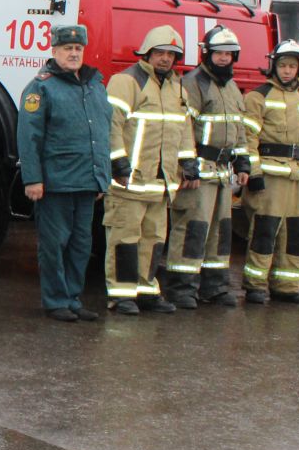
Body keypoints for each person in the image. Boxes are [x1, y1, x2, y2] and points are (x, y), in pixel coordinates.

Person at [15, 23, 108, 321]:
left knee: (81, 246)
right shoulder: (41, 87)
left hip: (85, 182)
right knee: (55, 245)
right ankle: (55, 301)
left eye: (78, 49)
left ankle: (72, 299)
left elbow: (104, 132)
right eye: (67, 49)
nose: (73, 53)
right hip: (55, 183)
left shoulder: (95, 85)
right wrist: (33, 179)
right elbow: (28, 137)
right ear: (54, 51)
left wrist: (102, 176)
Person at [104, 25, 194, 314]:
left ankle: (146, 290)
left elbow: (184, 128)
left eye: (171, 54)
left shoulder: (177, 87)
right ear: (147, 53)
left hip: (161, 182)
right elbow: (112, 126)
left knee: (154, 239)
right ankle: (121, 294)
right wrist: (117, 162)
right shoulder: (126, 81)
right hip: (129, 180)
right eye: (160, 53)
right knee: (125, 239)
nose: (166, 58)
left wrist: (188, 162)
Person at [167, 25, 250, 308]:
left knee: (220, 230)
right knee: (192, 227)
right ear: (207, 54)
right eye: (219, 53)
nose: (224, 58)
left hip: (224, 171)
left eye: (229, 53)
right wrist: (187, 163)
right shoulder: (193, 83)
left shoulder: (232, 88)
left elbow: (239, 128)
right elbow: (183, 126)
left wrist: (243, 161)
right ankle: (182, 287)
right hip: (200, 169)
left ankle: (214, 286)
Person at [240, 40, 299, 304]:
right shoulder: (258, 96)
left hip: (295, 177)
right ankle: (255, 286)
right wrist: (254, 173)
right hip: (270, 177)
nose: (287, 71)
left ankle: (287, 286)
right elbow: (248, 137)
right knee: (264, 231)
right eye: (283, 65)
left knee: (294, 233)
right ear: (274, 66)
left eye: (292, 66)